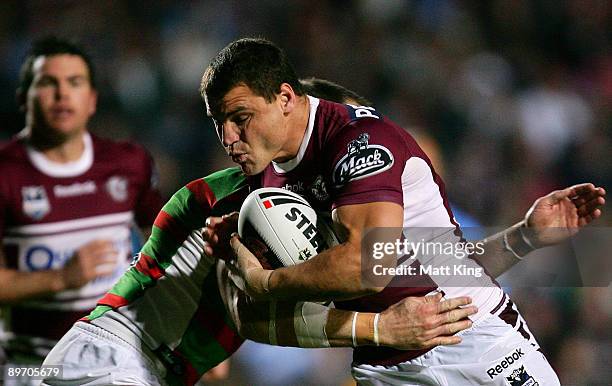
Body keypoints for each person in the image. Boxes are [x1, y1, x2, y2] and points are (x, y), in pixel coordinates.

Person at [40, 76, 603, 386]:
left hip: (152, 366)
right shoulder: (250, 203)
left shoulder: (346, 213)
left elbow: (442, 266)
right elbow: (252, 312)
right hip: (114, 361)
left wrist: (526, 236)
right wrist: (384, 330)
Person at [200, 38, 606, 385]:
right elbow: (247, 316)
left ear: (287, 99)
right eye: (220, 123)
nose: (228, 138)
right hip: (383, 368)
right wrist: (375, 328)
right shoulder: (261, 184)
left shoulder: (363, 143)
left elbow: (370, 268)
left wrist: (267, 282)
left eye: (240, 119)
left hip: (473, 344)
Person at [0, 37, 163, 385]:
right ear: (23, 97)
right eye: (48, 83)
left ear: (91, 100)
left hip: (117, 359)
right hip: (31, 366)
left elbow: (165, 240)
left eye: (74, 83)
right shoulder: (4, 173)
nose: (62, 94)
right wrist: (62, 278)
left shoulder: (129, 163)